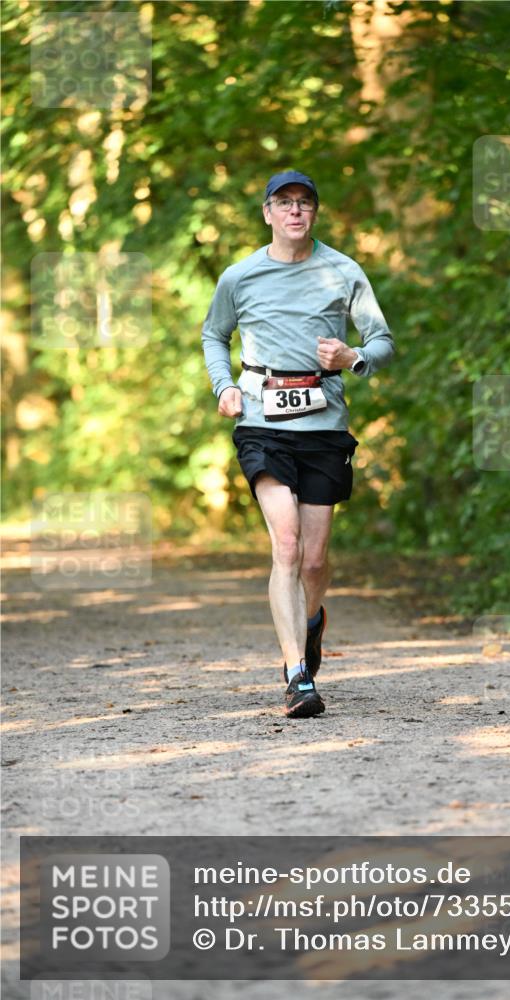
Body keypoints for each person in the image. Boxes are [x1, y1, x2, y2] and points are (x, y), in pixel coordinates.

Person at [201, 170, 394, 719]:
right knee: (285, 544)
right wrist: (224, 386)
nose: (294, 211)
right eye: (283, 202)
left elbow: (382, 342)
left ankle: (311, 622)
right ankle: (297, 676)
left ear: (315, 213)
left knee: (313, 560)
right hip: (261, 421)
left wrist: (352, 357)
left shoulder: (343, 270)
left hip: (324, 426)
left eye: (304, 203)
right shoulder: (240, 276)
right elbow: (214, 334)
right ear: (267, 212)